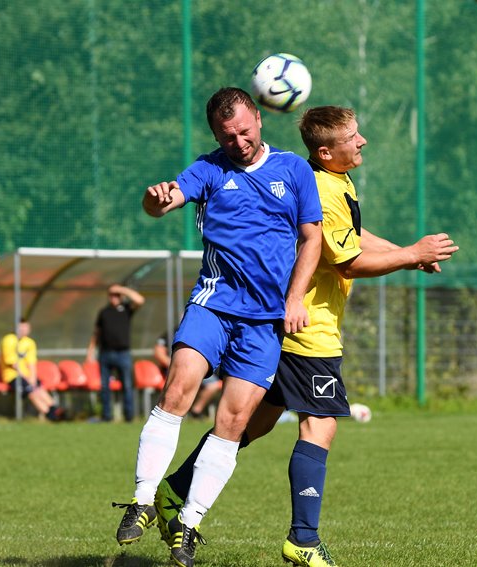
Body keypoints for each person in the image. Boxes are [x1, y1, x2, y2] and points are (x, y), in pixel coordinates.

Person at [151, 106, 459, 566]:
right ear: (326, 152)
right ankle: (303, 539)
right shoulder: (322, 187)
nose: (362, 141)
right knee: (320, 423)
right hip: (306, 328)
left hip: (289, 325)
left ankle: (176, 491)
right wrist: (411, 254)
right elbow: (348, 262)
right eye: (353, 137)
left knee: (249, 424)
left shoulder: (333, 181)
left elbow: (351, 236)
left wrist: (405, 253)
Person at [112, 87, 322, 567]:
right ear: (215, 136)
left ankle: (188, 524)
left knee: (232, 423)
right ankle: (142, 501)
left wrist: (294, 299)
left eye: (244, 132)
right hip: (214, 304)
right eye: (228, 137)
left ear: (259, 120)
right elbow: (165, 202)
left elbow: (311, 239)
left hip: (265, 321)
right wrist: (154, 200)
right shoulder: (208, 169)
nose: (239, 143)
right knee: (178, 388)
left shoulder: (293, 170)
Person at [86, 284, 145, 422]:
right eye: (112, 295)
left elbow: (140, 300)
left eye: (117, 295)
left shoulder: (127, 309)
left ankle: (128, 416)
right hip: (105, 354)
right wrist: (90, 352)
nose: (114, 297)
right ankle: (106, 416)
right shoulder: (104, 312)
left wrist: (121, 289)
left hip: (123, 354)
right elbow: (96, 333)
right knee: (105, 386)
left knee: (127, 385)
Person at [0, 319, 65, 421]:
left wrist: (33, 378)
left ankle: (55, 409)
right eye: (21, 327)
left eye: (25, 328)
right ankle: (50, 415)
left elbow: (31, 363)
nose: (23, 330)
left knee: (38, 387)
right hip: (12, 376)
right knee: (31, 391)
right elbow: (13, 363)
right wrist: (27, 379)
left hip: (26, 375)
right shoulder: (9, 340)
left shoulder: (29, 342)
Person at [155, 330, 221, 419]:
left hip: (196, 369)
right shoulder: (172, 332)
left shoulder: (200, 331)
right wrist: (176, 365)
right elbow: (158, 352)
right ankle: (166, 414)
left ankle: (195, 412)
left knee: (213, 384)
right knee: (179, 385)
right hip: (174, 369)